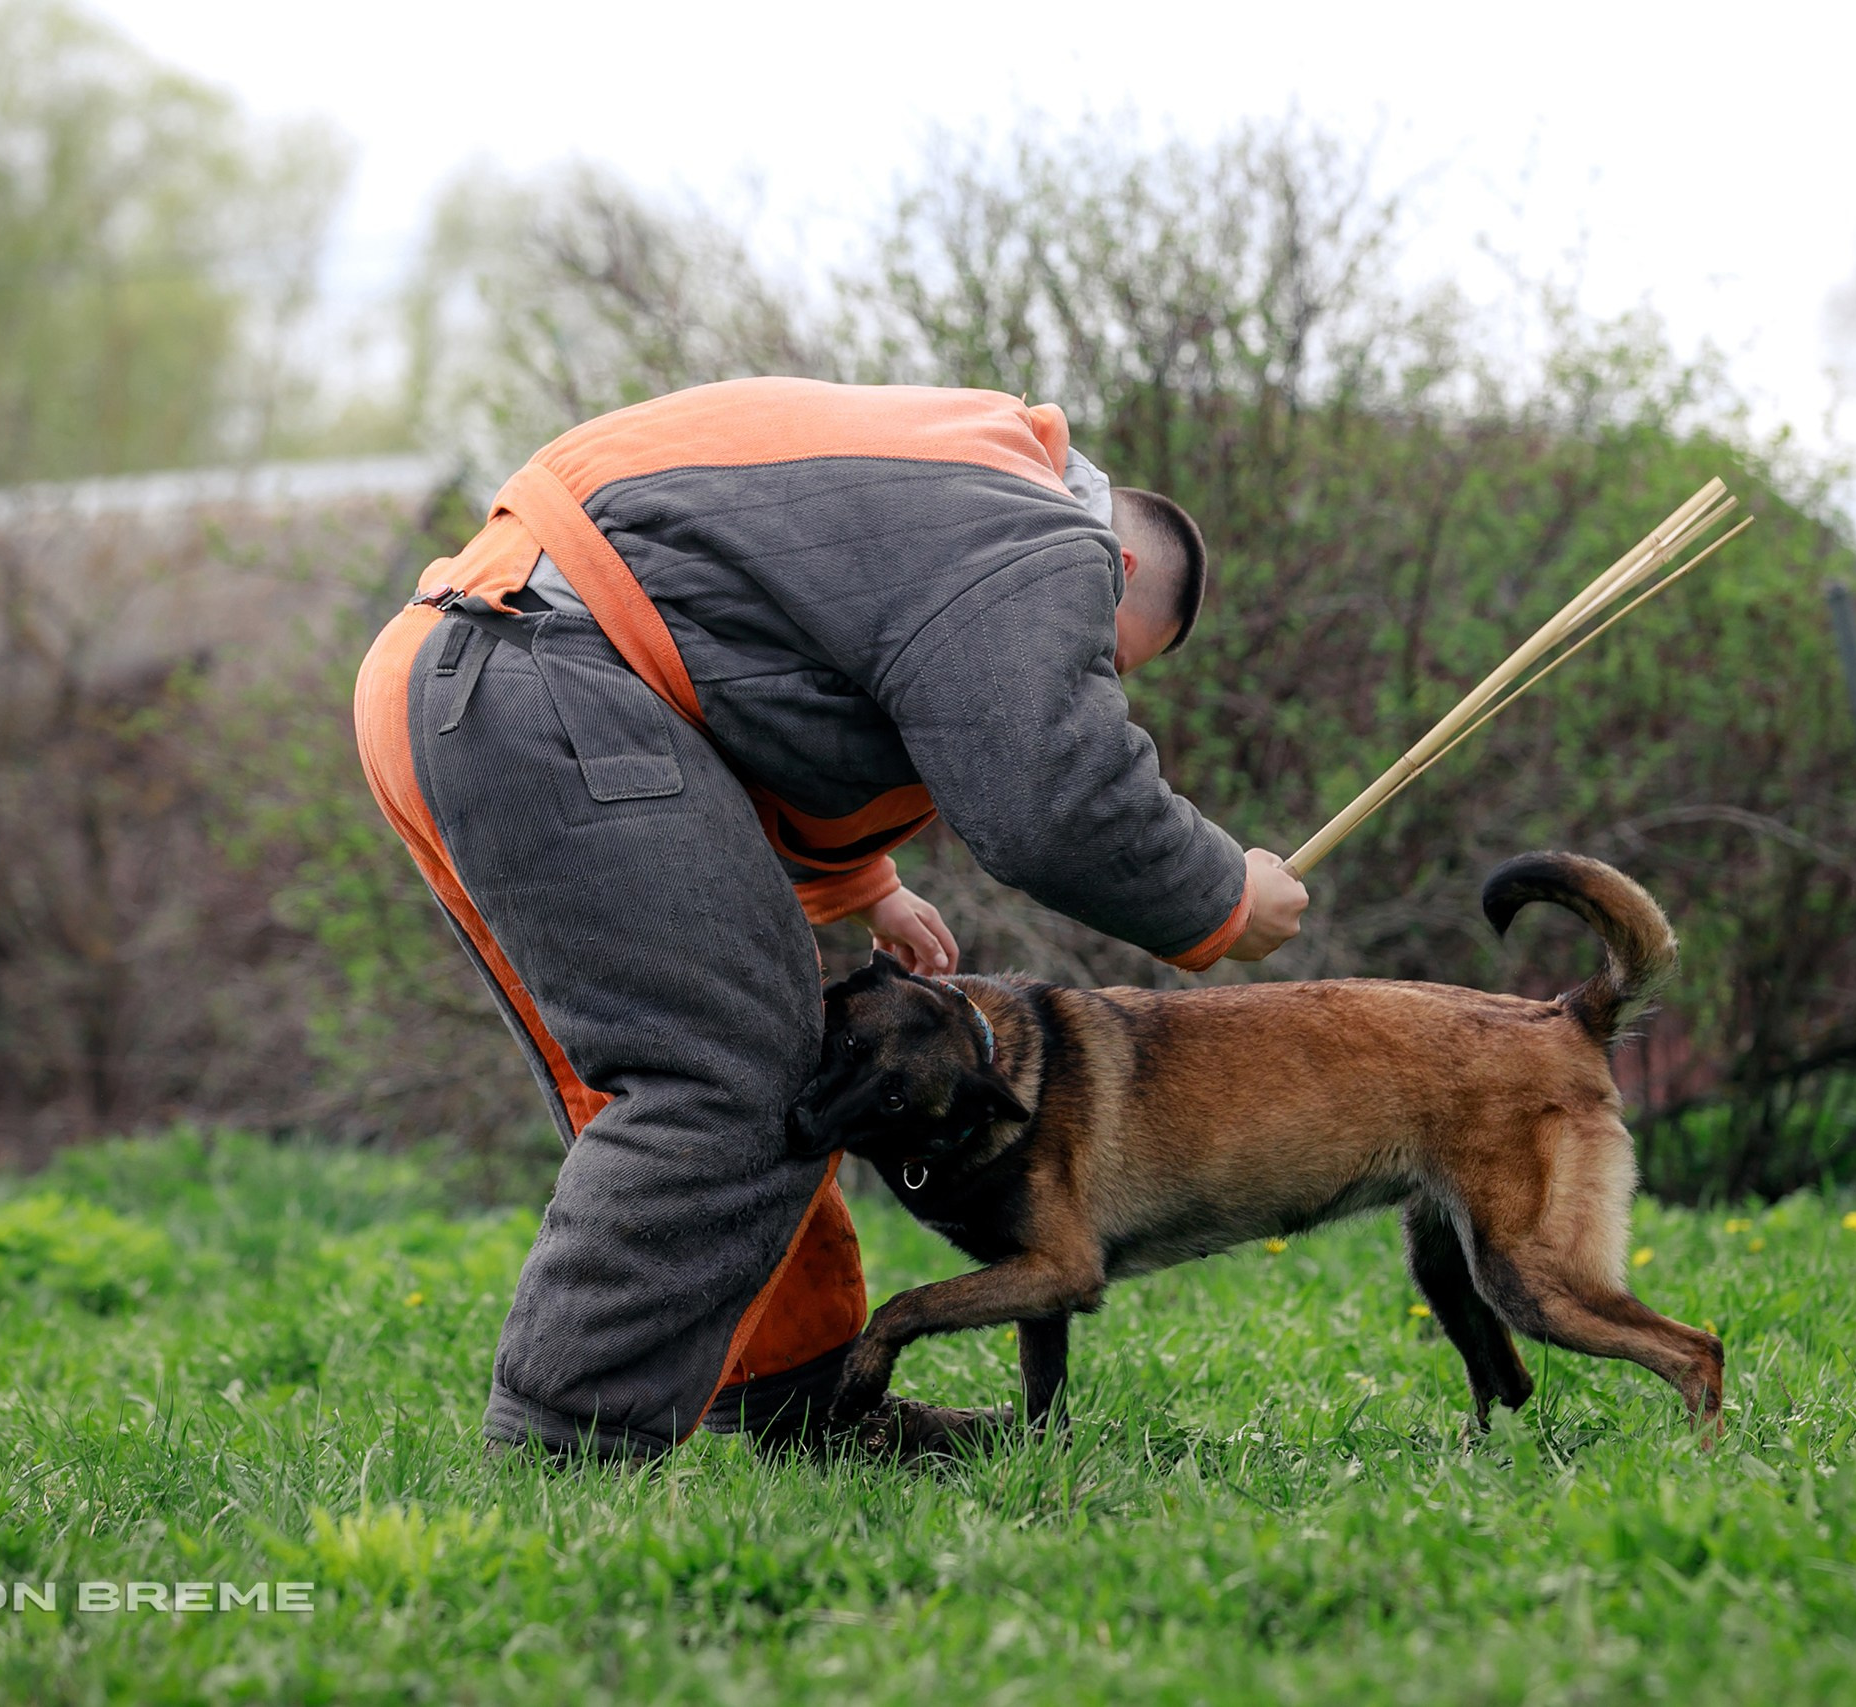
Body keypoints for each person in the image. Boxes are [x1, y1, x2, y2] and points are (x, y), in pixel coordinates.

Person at [352, 377, 1309, 1465]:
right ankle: (561, 1454)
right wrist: (1223, 898)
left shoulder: (962, 475)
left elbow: (775, 675)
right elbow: (1048, 790)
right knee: (730, 1075)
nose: (1094, 674)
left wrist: (863, 885)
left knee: (777, 1064)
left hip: (472, 673)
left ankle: (807, 1408)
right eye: (1108, 661)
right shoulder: (1048, 539)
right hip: (542, 682)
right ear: (1118, 567)